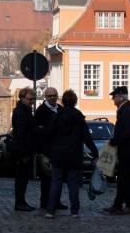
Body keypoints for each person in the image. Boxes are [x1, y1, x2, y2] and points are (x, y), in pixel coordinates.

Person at [45, 89, 98, 219]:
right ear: (75, 101)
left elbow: (49, 134)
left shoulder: (57, 116)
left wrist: (48, 152)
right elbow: (86, 137)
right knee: (73, 184)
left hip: (58, 155)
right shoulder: (78, 116)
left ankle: (50, 210)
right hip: (74, 155)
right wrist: (94, 151)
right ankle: (74, 211)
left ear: (63, 101)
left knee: (56, 182)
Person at [103, 86, 130, 215]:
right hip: (126, 150)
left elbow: (129, 132)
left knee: (125, 180)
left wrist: (114, 141)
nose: (113, 100)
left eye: (114, 97)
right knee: (124, 180)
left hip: (127, 151)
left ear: (121, 97)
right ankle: (119, 205)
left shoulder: (127, 111)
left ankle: (128, 206)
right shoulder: (124, 110)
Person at [34, 87, 68, 210]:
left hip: (59, 149)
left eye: (54, 95)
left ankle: (56, 201)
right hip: (46, 150)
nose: (53, 98)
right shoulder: (41, 111)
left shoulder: (61, 109)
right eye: (50, 96)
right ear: (45, 97)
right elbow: (37, 132)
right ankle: (44, 202)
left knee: (58, 178)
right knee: (46, 179)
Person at [11, 87, 36, 211]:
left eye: (33, 99)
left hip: (25, 149)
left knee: (24, 178)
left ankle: (21, 202)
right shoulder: (21, 112)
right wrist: (24, 153)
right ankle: (19, 203)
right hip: (22, 151)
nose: (32, 101)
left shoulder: (25, 110)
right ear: (22, 98)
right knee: (21, 178)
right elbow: (20, 133)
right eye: (29, 99)